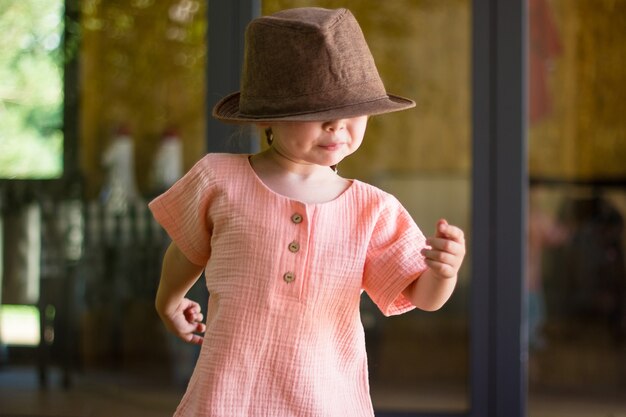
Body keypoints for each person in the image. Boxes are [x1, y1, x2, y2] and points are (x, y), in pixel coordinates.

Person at [149, 7, 465, 417]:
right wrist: (169, 301)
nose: (336, 126)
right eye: (316, 112)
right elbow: (188, 249)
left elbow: (420, 296)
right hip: (228, 397)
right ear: (269, 117)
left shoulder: (371, 209)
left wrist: (442, 273)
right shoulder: (218, 179)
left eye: (352, 110)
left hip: (326, 401)